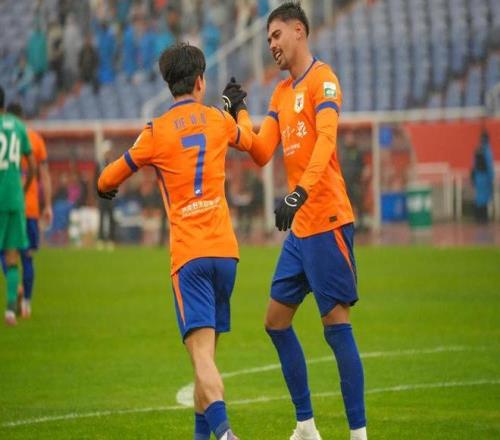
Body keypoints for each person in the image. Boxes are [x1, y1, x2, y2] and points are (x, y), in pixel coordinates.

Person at [222, 3, 367, 439]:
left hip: (327, 219)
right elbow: (261, 150)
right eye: (268, 39)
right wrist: (238, 115)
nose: (271, 45)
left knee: (335, 327)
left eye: (276, 35)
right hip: (301, 230)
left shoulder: (324, 79)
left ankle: (358, 434)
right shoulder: (281, 93)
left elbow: (326, 141)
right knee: (275, 321)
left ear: (299, 31)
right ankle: (306, 425)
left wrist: (299, 192)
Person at [97, 43, 256, 440]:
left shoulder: (156, 131)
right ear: (201, 81)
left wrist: (106, 186)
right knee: (207, 358)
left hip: (189, 256)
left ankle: (225, 434)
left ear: (169, 85)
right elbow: (250, 139)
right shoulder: (217, 119)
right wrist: (237, 109)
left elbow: (108, 177)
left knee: (201, 357)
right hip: (226, 254)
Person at [0, 103, 52, 319]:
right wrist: (47, 204)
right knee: (26, 256)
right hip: (25, 206)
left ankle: (16, 291)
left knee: (4, 253)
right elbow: (42, 174)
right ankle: (25, 305)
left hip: (4, 199)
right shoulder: (33, 138)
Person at [0, 87, 35, 326]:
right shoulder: (19, 127)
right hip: (14, 198)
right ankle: (11, 311)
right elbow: (31, 165)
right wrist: (23, 189)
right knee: (12, 255)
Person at [471, 130, 495, 223]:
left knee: (479, 198)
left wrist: (473, 178)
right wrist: (491, 178)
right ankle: (483, 218)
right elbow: (489, 165)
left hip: (478, 177)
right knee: (484, 198)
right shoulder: (487, 150)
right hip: (485, 177)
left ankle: (478, 217)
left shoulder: (478, 149)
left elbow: (473, 165)